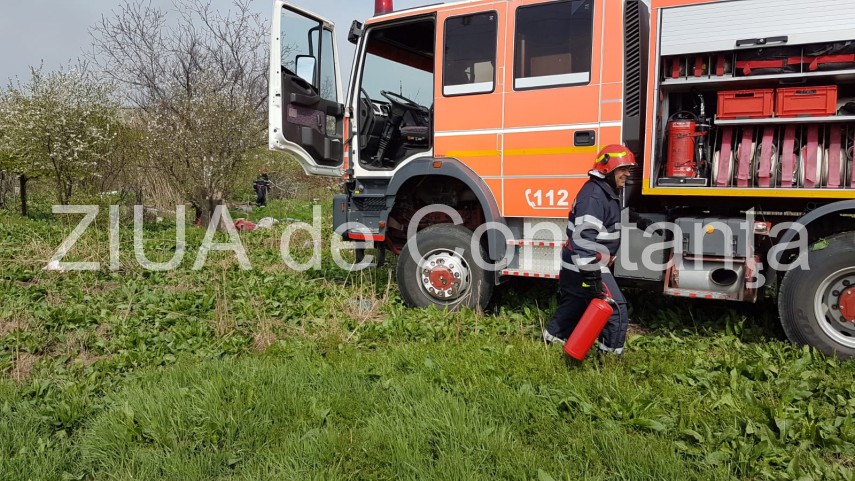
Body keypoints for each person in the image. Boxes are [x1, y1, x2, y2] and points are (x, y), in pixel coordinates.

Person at [543, 144, 638, 356]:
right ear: (608, 168)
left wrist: (639, 220)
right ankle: (610, 359)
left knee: (574, 303)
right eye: (623, 169)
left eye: (628, 169)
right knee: (615, 308)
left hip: (578, 261)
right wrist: (592, 276)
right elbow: (584, 239)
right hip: (587, 263)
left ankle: (551, 341)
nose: (627, 174)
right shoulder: (595, 197)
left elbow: (607, 219)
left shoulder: (604, 192)